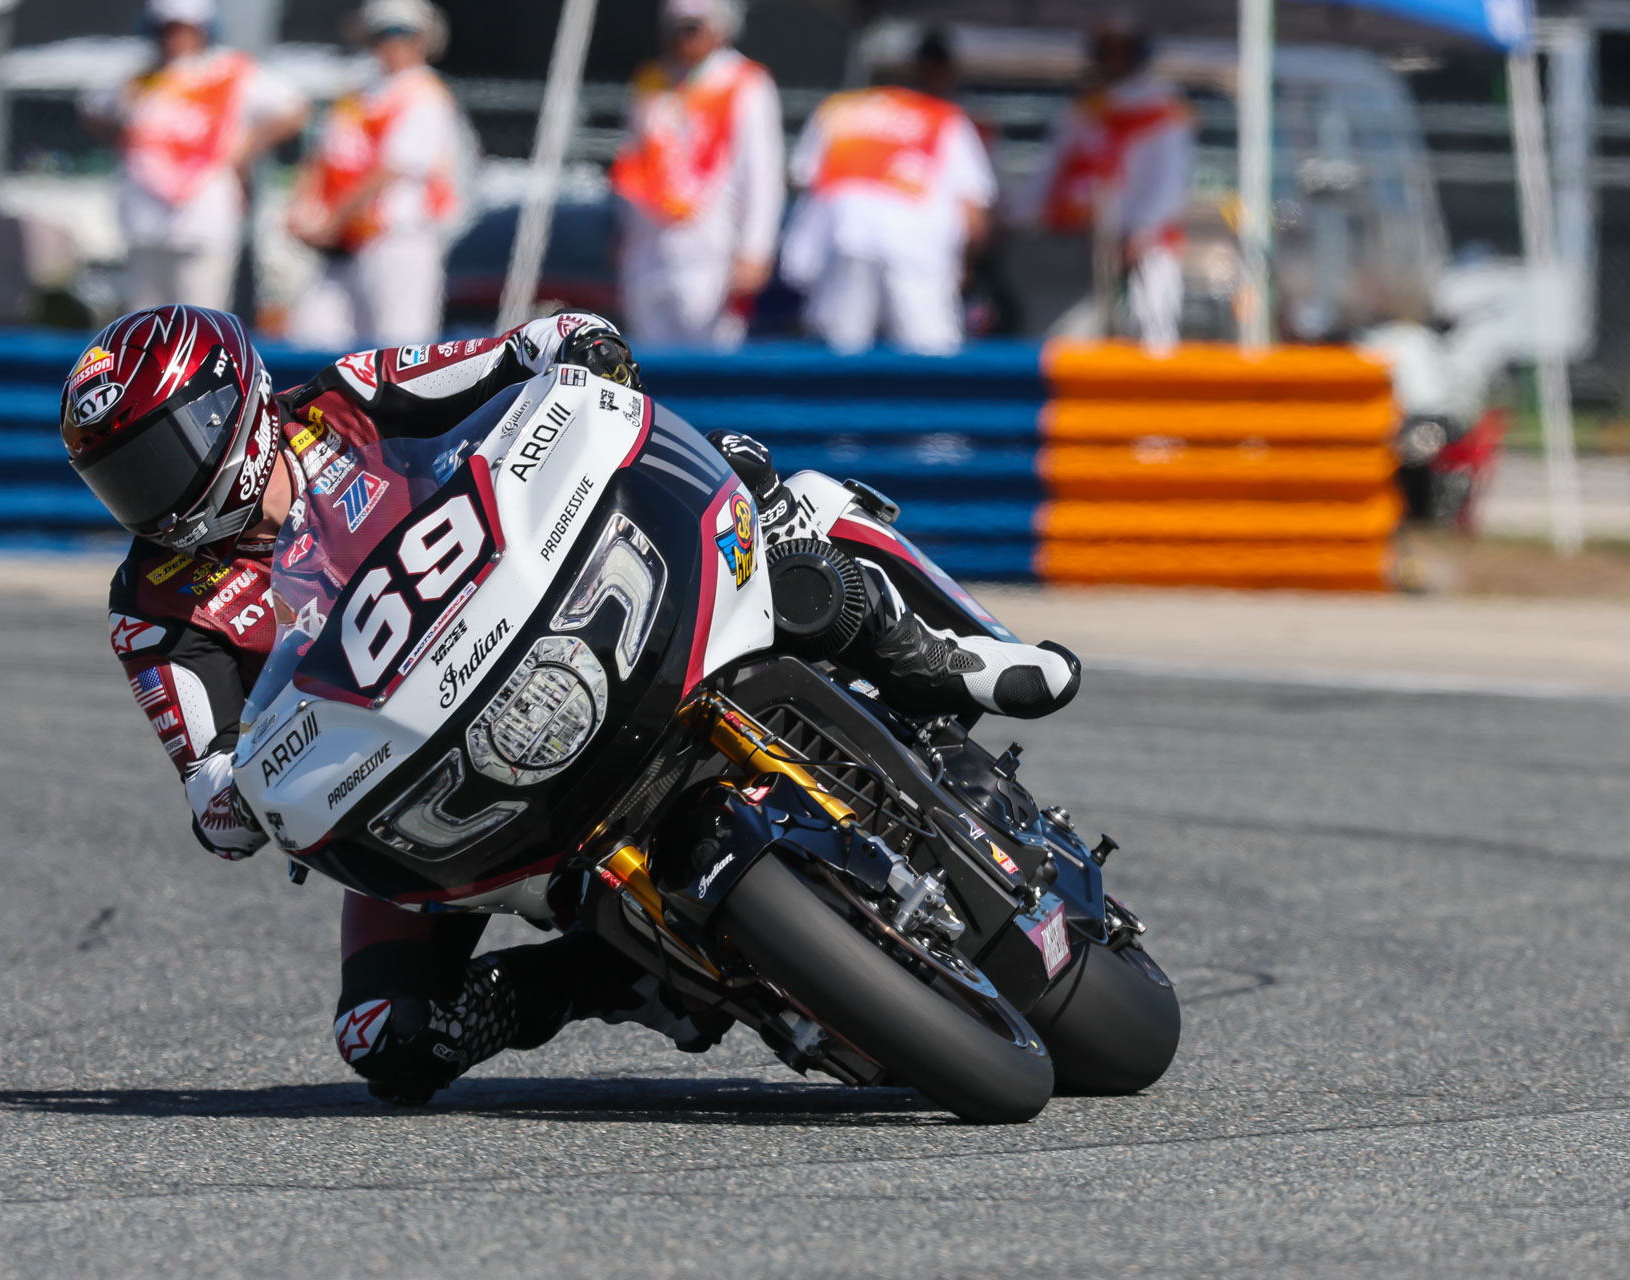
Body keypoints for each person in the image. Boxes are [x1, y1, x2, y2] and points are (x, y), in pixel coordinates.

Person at [60, 305, 1080, 1105]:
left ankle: (953, 649)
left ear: (232, 403)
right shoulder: (154, 606)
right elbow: (207, 766)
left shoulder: (348, 398)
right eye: (120, 479)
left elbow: (514, 356)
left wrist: (576, 346)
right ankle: (610, 975)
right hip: (425, 763)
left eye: (160, 453)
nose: (149, 496)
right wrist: (230, 798)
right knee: (390, 1039)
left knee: (775, 501)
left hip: (564, 608)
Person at [79, 0, 308, 313]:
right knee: (144, 317)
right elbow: (91, 109)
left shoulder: (229, 71)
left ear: (204, 30)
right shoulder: (140, 77)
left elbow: (295, 109)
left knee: (201, 316)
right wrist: (124, 141)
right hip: (144, 216)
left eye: (185, 28)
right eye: (168, 28)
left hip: (204, 215)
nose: (176, 37)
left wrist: (247, 147)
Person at [779, 29, 995, 356]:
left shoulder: (837, 110)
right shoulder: (945, 118)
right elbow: (973, 212)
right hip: (916, 244)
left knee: (838, 358)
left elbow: (801, 180)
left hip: (844, 235)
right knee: (931, 359)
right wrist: (967, 266)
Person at [286, 0, 469, 350]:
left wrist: (331, 219)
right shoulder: (358, 93)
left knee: (398, 353)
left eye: (403, 32)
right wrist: (301, 208)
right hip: (345, 243)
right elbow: (321, 157)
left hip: (399, 238)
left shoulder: (425, 94)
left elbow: (392, 169)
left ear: (425, 38)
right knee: (311, 337)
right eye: (383, 32)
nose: (393, 41)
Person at [1013, 15, 1193, 354]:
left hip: (1147, 244)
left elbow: (1171, 178)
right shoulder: (1083, 110)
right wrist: (1014, 216)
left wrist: (1145, 231)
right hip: (1082, 242)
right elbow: (1050, 172)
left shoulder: (1164, 107)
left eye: (1119, 50)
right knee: (1076, 331)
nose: (1110, 59)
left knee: (1153, 326)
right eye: (1104, 50)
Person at [611, 0, 784, 349]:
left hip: (712, 246)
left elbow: (763, 174)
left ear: (721, 28)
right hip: (649, 243)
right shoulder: (651, 81)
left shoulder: (746, 82)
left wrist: (756, 249)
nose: (683, 37)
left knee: (709, 357)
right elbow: (632, 161)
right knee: (646, 359)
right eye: (676, 27)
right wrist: (621, 231)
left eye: (693, 27)